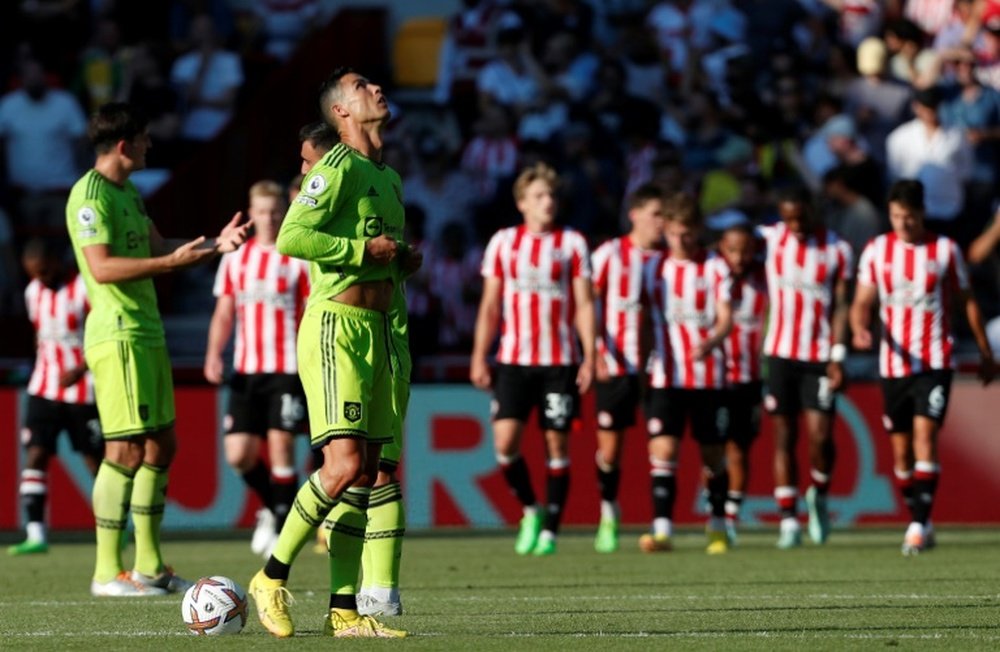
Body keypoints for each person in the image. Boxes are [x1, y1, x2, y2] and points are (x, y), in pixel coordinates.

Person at [248, 67, 415, 639]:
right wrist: (363, 248)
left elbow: (380, 254)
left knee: (365, 474)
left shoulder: (387, 177)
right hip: (336, 329)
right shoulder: (336, 166)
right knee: (341, 465)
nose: (376, 88)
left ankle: (344, 610)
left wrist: (399, 260)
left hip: (379, 331)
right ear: (342, 111)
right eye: (363, 85)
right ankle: (270, 576)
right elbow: (293, 235)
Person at [66, 102, 249, 596]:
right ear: (125, 145)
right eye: (146, 138)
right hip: (119, 334)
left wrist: (217, 244)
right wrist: (169, 262)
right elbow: (102, 268)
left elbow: (161, 246)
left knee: (161, 445)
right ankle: (107, 570)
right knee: (124, 448)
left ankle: (149, 566)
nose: (151, 146)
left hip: (147, 333)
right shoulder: (90, 196)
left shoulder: (128, 194)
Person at [850, 179, 996, 555]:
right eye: (897, 216)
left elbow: (967, 301)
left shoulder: (944, 250)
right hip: (892, 364)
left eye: (909, 217)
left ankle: (916, 525)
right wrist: (859, 327)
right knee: (900, 454)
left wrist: (984, 352)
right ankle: (922, 519)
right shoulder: (877, 250)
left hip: (934, 360)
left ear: (922, 214)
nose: (903, 224)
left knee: (925, 437)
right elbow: (862, 300)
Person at [470, 162, 596, 557]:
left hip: (559, 361)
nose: (548, 203)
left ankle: (551, 532)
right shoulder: (504, 243)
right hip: (513, 361)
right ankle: (531, 509)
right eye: (540, 196)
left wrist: (590, 357)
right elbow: (490, 305)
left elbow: (584, 304)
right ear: (522, 202)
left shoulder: (572, 243)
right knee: (505, 443)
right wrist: (479, 356)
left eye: (552, 196)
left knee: (556, 444)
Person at [204, 180, 310, 558]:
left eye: (275, 211)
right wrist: (214, 353)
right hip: (247, 370)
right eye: (262, 211)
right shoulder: (236, 258)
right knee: (238, 454)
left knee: (282, 446)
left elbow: (311, 311)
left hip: (288, 367)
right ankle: (272, 507)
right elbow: (224, 312)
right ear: (251, 213)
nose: (269, 218)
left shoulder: (298, 257)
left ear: (284, 211)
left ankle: (282, 528)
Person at [639, 191, 733, 555]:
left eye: (688, 233)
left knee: (712, 454)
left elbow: (725, 318)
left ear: (697, 230)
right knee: (663, 448)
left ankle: (718, 525)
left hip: (707, 376)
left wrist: (712, 340)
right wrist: (642, 362)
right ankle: (661, 530)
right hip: (665, 375)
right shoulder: (653, 267)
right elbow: (646, 319)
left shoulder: (714, 266)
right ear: (666, 231)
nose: (682, 240)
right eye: (675, 233)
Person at [759, 186, 853, 549]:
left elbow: (842, 304)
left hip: (819, 356)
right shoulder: (769, 239)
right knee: (784, 436)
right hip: (780, 354)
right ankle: (787, 521)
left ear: (814, 211)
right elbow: (725, 242)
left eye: (801, 217)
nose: (795, 225)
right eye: (788, 217)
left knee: (821, 438)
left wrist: (838, 355)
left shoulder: (837, 249)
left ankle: (820, 493)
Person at [8, 238, 103, 556]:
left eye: (45, 271)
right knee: (35, 455)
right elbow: (39, 332)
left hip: (83, 392)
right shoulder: (33, 292)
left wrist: (80, 369)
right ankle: (36, 534)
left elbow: (103, 335)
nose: (42, 278)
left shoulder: (84, 289)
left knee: (95, 462)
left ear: (58, 261)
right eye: (35, 273)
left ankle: (112, 528)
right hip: (43, 389)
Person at [589, 182, 666, 553]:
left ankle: (660, 523)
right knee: (612, 449)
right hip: (615, 364)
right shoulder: (610, 254)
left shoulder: (669, 259)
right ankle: (608, 512)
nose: (661, 223)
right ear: (635, 214)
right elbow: (588, 304)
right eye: (656, 214)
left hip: (661, 368)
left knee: (662, 446)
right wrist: (594, 353)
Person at [716, 223, 767, 544]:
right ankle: (716, 511)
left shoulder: (765, 278)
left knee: (738, 448)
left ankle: (730, 517)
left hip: (750, 377)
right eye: (732, 250)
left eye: (745, 250)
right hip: (713, 377)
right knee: (713, 448)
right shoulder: (709, 274)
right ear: (721, 247)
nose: (739, 257)